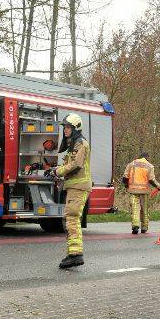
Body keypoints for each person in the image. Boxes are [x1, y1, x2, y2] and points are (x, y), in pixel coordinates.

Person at [55, 113, 92, 269]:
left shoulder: (80, 143)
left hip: (78, 186)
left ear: (76, 128)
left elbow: (76, 164)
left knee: (72, 218)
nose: (65, 130)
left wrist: (59, 171)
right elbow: (70, 165)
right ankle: (73, 253)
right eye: (65, 127)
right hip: (73, 186)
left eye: (68, 127)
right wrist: (57, 169)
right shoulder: (73, 144)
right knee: (69, 219)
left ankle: (76, 255)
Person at [120, 152, 160, 235]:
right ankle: (144, 227)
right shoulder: (150, 166)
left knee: (135, 208)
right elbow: (151, 180)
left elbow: (125, 177)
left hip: (133, 190)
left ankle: (135, 225)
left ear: (139, 157)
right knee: (144, 209)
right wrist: (158, 186)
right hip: (144, 191)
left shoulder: (131, 164)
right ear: (147, 157)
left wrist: (127, 186)